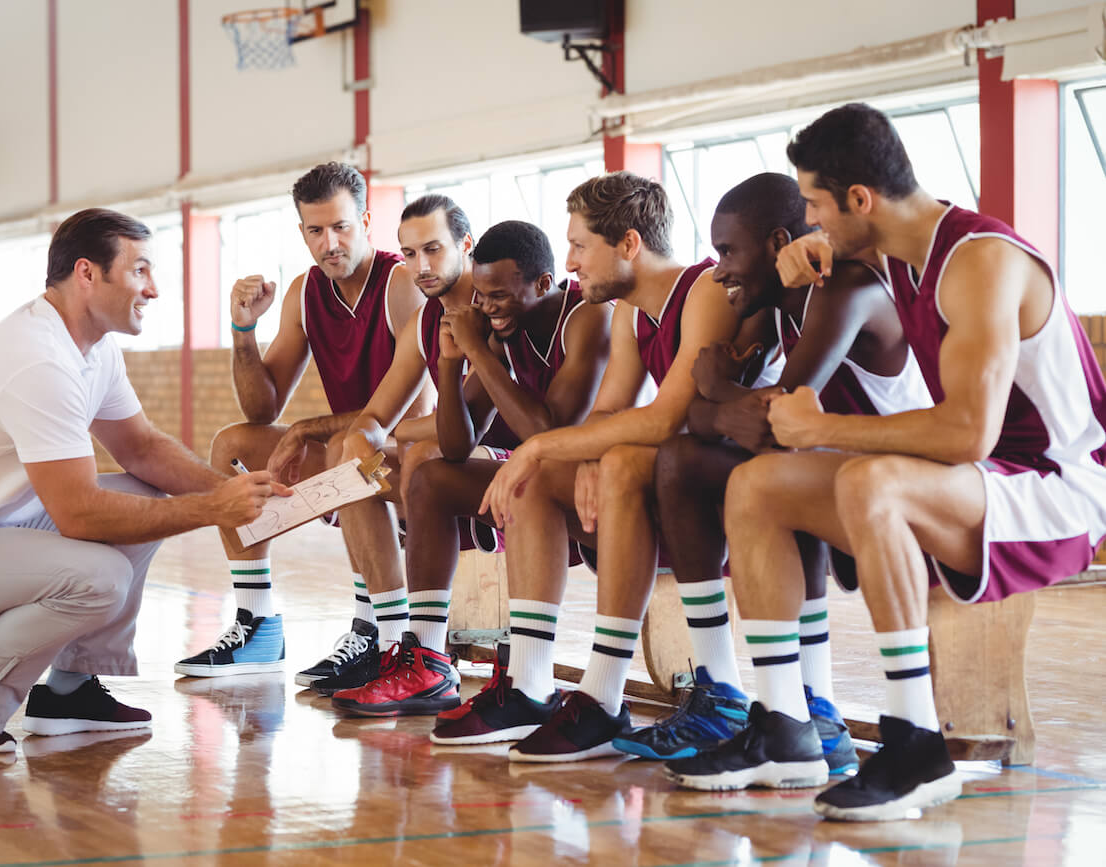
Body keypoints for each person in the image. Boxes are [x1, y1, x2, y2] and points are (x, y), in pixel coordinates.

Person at [667, 103, 1106, 821]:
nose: (809, 220)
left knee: (871, 480)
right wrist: (820, 254)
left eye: (814, 205)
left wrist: (820, 426)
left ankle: (916, 743)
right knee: (757, 485)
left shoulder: (982, 261)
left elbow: (970, 432)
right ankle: (784, 727)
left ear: (859, 199)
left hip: (1059, 491)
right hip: (980, 482)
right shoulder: (895, 255)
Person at [0, 208, 286, 754]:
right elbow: (80, 515)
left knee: (141, 494)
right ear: (88, 274)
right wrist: (214, 509)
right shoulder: (37, 360)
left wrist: (243, 493)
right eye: (140, 271)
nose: (153, 289)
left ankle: (70, 691)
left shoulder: (92, 347)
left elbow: (141, 447)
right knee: (99, 576)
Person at [611, 172, 931, 775]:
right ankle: (722, 691)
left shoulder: (843, 293)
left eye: (729, 251)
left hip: (902, 484)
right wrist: (718, 401)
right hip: (831, 473)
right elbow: (710, 424)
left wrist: (713, 386)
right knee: (681, 462)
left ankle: (816, 708)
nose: (718, 269)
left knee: (775, 472)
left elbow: (772, 421)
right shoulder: (772, 308)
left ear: (779, 241)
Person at [438, 171, 738, 760]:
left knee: (607, 461)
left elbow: (666, 418)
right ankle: (530, 683)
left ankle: (603, 694)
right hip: (678, 476)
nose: (571, 262)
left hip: (721, 488)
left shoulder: (702, 289)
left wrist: (544, 446)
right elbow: (608, 410)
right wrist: (570, 453)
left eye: (579, 245)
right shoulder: (631, 310)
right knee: (537, 479)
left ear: (628, 244)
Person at [329, 219, 612, 716]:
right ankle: (428, 660)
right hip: (548, 487)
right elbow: (457, 445)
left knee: (526, 476)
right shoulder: (503, 332)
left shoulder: (587, 317)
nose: (486, 308)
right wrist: (448, 361)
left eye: (499, 295)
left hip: (597, 496)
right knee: (432, 479)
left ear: (543, 284)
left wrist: (480, 350)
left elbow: (547, 433)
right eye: (480, 296)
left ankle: (528, 674)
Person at [173, 162, 427, 683]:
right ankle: (257, 621)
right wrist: (244, 329)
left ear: (365, 221)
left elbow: (416, 417)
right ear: (302, 233)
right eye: (316, 230)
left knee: (346, 451)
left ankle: (377, 633)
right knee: (232, 447)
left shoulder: (400, 284)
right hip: (354, 452)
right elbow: (261, 410)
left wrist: (311, 428)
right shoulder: (304, 294)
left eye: (341, 226)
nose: (329, 242)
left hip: (412, 460)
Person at [288, 192, 482, 694]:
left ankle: (428, 656)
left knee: (418, 458)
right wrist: (358, 440)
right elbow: (378, 416)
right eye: (411, 253)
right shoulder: (425, 320)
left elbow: (461, 426)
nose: (421, 266)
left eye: (434, 250)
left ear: (466, 243)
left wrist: (392, 434)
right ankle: (389, 646)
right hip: (463, 456)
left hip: (498, 457)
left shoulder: (494, 303)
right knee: (351, 458)